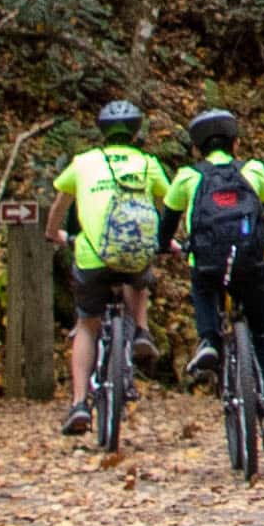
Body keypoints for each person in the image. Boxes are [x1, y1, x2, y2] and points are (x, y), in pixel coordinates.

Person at [54, 98, 175, 438]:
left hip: (92, 259)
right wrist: (164, 241)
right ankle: (140, 330)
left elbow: (59, 205)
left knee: (87, 324)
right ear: (136, 132)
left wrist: (54, 234)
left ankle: (79, 403)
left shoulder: (83, 163)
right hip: (135, 256)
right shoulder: (149, 164)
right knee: (139, 277)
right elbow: (168, 206)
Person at [175, 106, 264, 445]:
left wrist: (171, 246)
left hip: (209, 264)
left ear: (197, 149)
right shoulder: (254, 170)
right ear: (237, 144)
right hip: (255, 263)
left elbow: (163, 230)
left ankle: (210, 338)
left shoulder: (188, 177)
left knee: (201, 283)